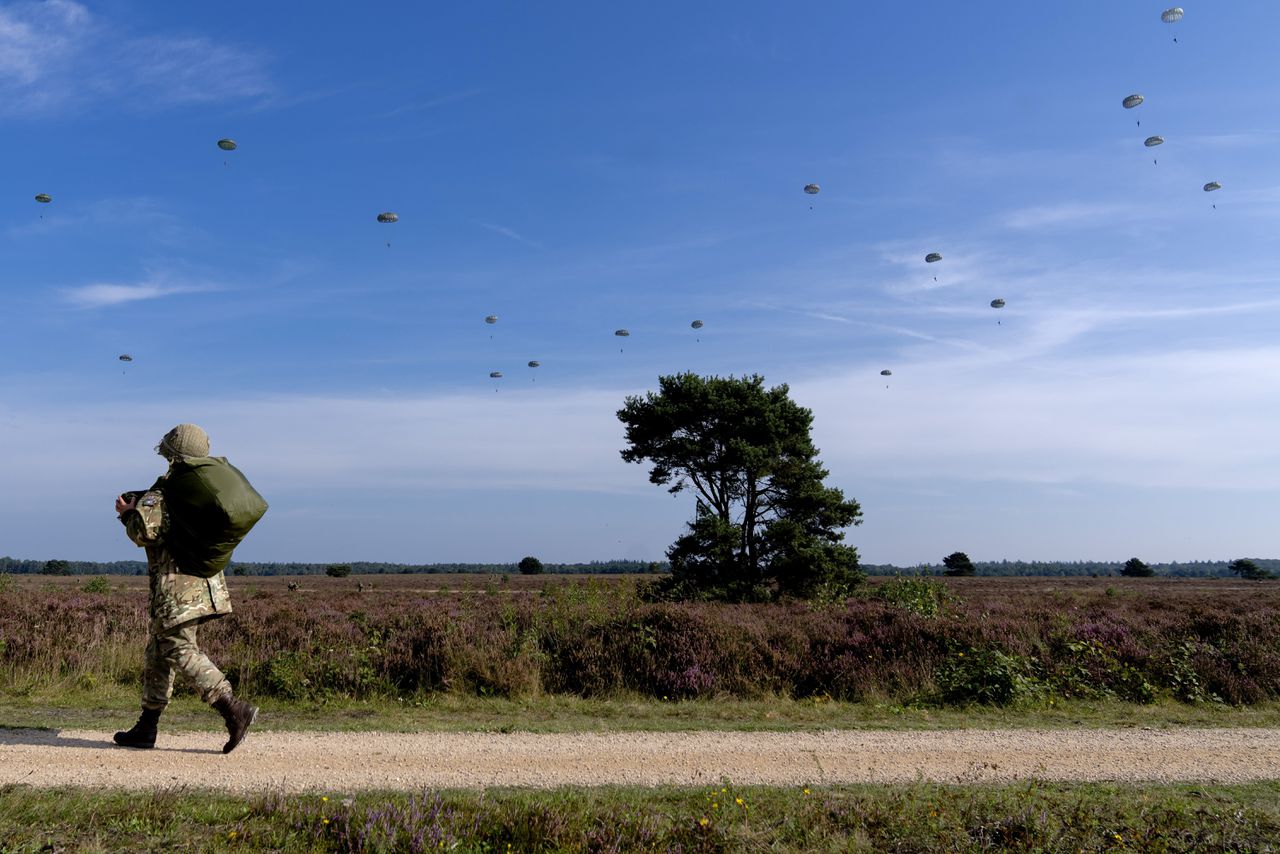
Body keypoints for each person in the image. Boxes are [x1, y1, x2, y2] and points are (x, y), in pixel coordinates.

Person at [112, 423, 258, 753]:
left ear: (171, 454)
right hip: (204, 583)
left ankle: (233, 708)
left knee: (177, 647)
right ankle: (146, 728)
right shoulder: (196, 492)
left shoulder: (165, 491)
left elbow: (143, 534)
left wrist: (128, 513)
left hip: (176, 588)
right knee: (159, 652)